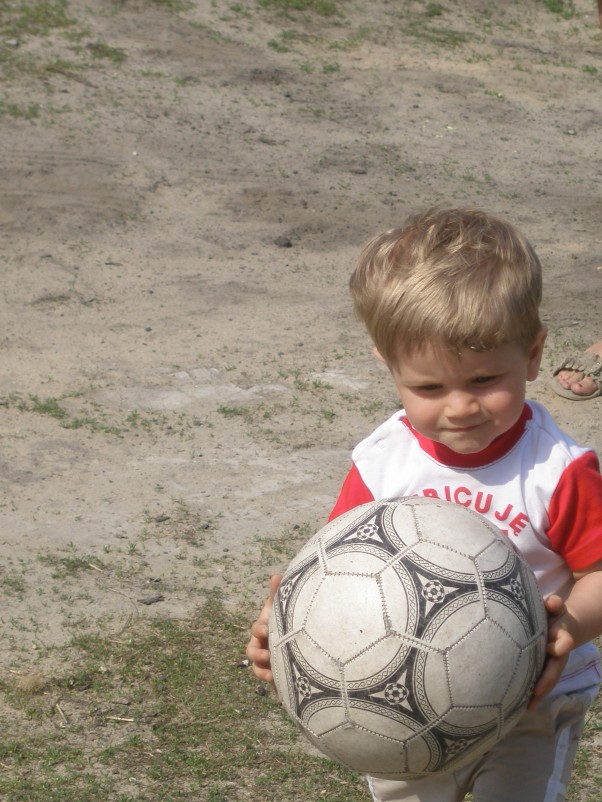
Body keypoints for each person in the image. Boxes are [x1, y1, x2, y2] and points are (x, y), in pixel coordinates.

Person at [246, 207, 602, 802]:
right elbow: (335, 565)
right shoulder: (382, 460)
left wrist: (563, 626)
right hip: (399, 701)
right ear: (390, 370)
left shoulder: (558, 470)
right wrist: (282, 624)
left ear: (535, 354)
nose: (460, 407)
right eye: (430, 388)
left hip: (532, 697)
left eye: (485, 380)